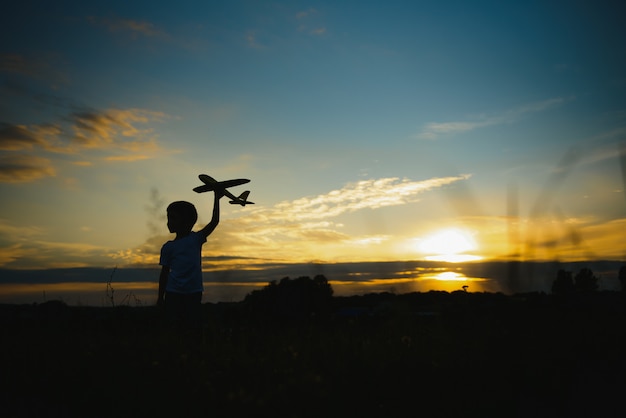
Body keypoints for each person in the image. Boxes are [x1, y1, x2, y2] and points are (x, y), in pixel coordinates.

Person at [157, 190, 223, 334]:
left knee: (192, 327)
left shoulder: (196, 239)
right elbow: (164, 274)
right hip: (173, 293)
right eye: (168, 218)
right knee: (174, 328)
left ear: (186, 220)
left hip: (193, 292)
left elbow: (214, 222)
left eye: (173, 218)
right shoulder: (168, 247)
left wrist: (216, 198)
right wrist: (160, 298)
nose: (169, 222)